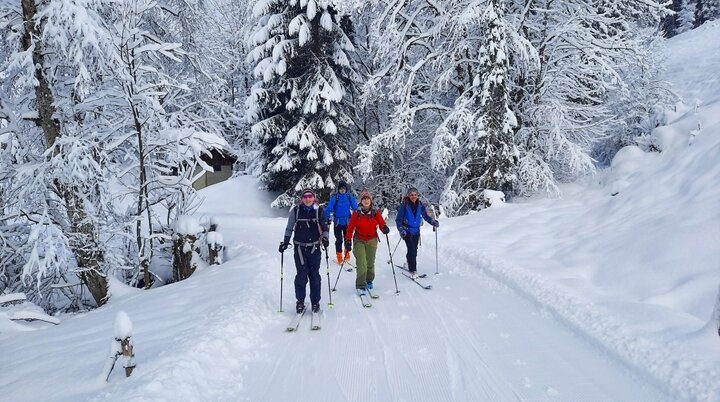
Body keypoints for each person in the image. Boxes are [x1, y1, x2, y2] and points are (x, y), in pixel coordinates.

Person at [279, 189, 330, 314]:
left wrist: (325, 238)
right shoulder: (296, 211)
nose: (308, 199)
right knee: (301, 276)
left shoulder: (319, 210)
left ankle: (315, 302)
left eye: (310, 196)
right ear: (302, 198)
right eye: (305, 197)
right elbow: (289, 227)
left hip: (315, 248)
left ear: (314, 197)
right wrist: (285, 242)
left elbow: (325, 227)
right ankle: (300, 301)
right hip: (300, 248)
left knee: (314, 276)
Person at [345, 191, 390, 290]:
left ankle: (369, 280)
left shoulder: (375, 212)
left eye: (368, 199)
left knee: (370, 262)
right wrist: (348, 240)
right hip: (359, 240)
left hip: (372, 240)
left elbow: (381, 223)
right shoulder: (357, 213)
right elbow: (350, 228)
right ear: (361, 201)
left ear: (371, 200)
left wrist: (385, 228)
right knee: (361, 262)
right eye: (364, 199)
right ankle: (360, 285)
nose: (366, 201)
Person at [395, 187, 438, 278]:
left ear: (417, 196)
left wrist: (432, 222)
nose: (413, 196)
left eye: (415, 195)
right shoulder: (404, 205)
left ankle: (408, 261)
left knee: (414, 249)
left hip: (416, 231)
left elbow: (425, 216)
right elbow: (398, 220)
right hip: (406, 231)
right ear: (408, 195)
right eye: (411, 195)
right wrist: (401, 230)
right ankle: (413, 271)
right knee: (412, 250)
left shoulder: (420, 205)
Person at [325, 181, 358, 264]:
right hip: (337, 223)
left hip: (347, 222)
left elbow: (355, 207)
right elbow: (328, 208)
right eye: (341, 189)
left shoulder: (349, 197)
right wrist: (327, 217)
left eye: (344, 188)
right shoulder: (335, 198)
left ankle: (347, 254)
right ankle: (339, 256)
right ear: (338, 189)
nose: (342, 190)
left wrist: (358, 216)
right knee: (339, 240)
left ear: (346, 189)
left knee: (347, 239)